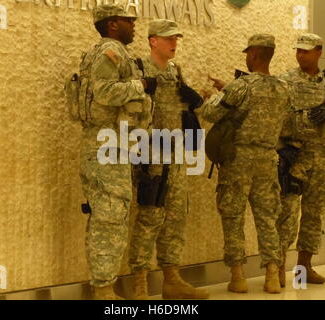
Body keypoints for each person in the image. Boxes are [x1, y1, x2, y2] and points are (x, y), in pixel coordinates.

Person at [200, 34, 292, 294]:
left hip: (238, 160)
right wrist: (227, 90)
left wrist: (211, 96)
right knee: (268, 218)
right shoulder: (284, 87)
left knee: (232, 216)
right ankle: (273, 275)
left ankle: (238, 276)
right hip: (267, 159)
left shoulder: (241, 86)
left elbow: (212, 113)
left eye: (247, 54)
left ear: (253, 54)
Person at [128, 19, 209, 300]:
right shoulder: (138, 69)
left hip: (176, 155)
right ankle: (139, 282)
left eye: (176, 38)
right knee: (150, 217)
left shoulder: (176, 72)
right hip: (151, 153)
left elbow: (184, 109)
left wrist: (196, 101)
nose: (174, 43)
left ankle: (171, 279)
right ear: (153, 41)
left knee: (176, 217)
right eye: (168, 38)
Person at [79, 4, 154, 300]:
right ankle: (103, 289)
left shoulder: (115, 51)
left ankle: (104, 286)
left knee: (113, 214)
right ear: (112, 25)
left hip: (116, 144)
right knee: (109, 216)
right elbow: (105, 91)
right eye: (128, 20)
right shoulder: (109, 51)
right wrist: (142, 85)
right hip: (105, 144)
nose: (134, 25)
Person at [276, 33, 325, 287]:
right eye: (298, 50)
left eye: (306, 51)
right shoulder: (285, 81)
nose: (300, 55)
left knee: (314, 215)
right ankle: (275, 269)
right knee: (285, 213)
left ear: (319, 51)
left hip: (320, 157)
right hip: (292, 156)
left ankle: (303, 269)